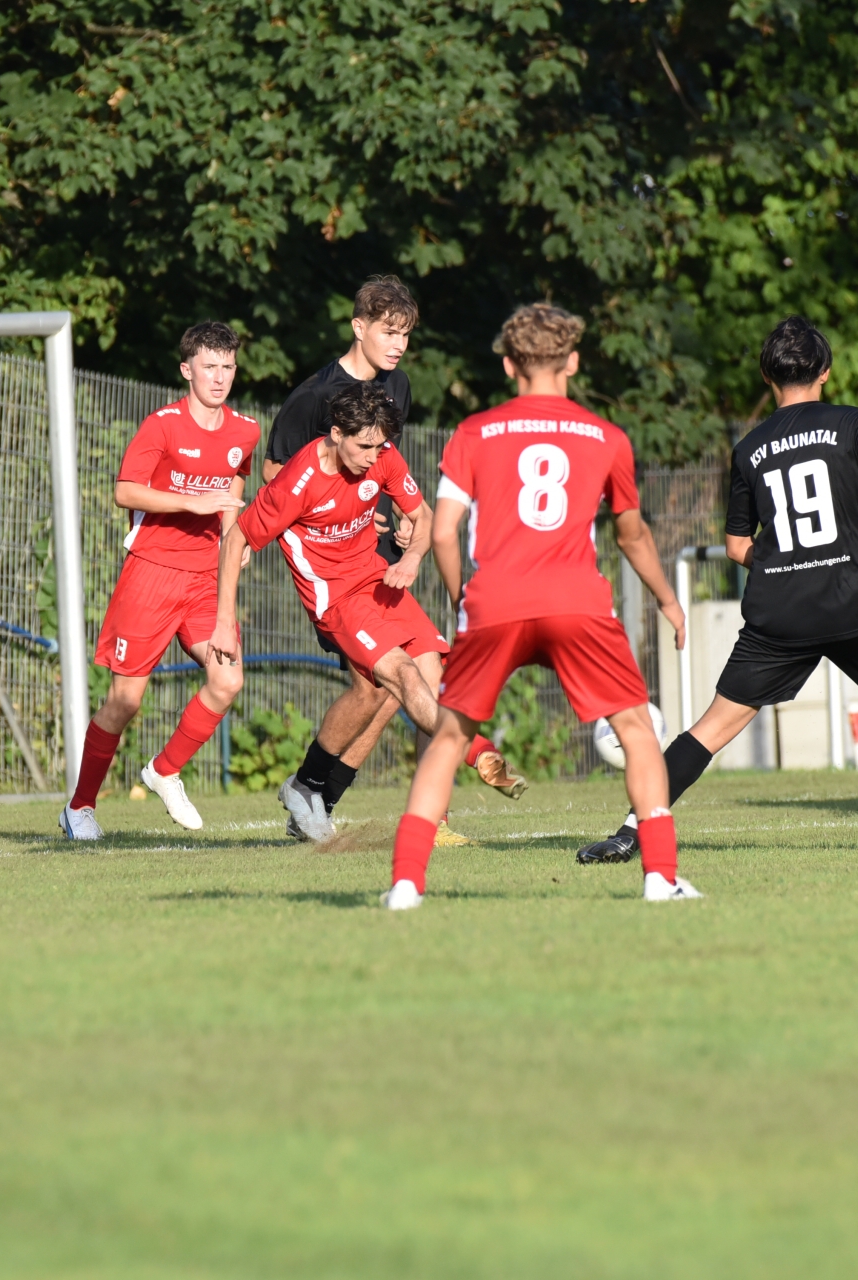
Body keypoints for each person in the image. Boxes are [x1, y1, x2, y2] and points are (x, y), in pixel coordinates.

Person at [572, 316, 858, 869]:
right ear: (825, 371)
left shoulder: (749, 448)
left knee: (711, 728)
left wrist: (785, 562)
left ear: (767, 376)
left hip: (780, 611)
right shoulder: (855, 422)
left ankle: (628, 833)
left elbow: (737, 546)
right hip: (855, 599)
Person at [388, 302, 701, 910]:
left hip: (495, 601)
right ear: (573, 362)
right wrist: (668, 599)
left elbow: (444, 532)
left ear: (508, 365)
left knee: (449, 738)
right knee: (637, 730)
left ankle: (405, 885)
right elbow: (632, 534)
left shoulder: (473, 432)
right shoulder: (608, 437)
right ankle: (661, 878)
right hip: (577, 601)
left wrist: (462, 598)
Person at [258, 275, 523, 838]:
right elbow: (275, 474)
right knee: (380, 686)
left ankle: (409, 813)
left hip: (380, 558)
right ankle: (314, 792)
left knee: (410, 680)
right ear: (359, 328)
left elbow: (385, 463)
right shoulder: (314, 395)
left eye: (405, 334)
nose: (399, 345)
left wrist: (403, 516)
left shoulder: (396, 384)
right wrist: (336, 510)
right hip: (333, 567)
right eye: (388, 332)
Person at [211, 382, 517, 842]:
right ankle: (481, 754)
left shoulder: (382, 455)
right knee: (403, 678)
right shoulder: (298, 481)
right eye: (364, 447)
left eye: (379, 446)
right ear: (336, 433)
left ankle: (314, 789)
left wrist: (412, 558)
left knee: (417, 681)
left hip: (377, 581)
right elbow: (236, 539)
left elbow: (424, 516)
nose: (373, 458)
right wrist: (223, 623)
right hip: (334, 599)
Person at [60, 322, 261, 839]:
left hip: (204, 580)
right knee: (124, 701)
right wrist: (192, 503)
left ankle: (165, 770)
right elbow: (126, 492)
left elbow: (233, 490)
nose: (220, 377)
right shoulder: (162, 426)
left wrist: (232, 540)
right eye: (209, 366)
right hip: (151, 574)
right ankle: (79, 807)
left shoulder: (245, 431)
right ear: (187, 370)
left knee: (228, 679)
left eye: (228, 367)